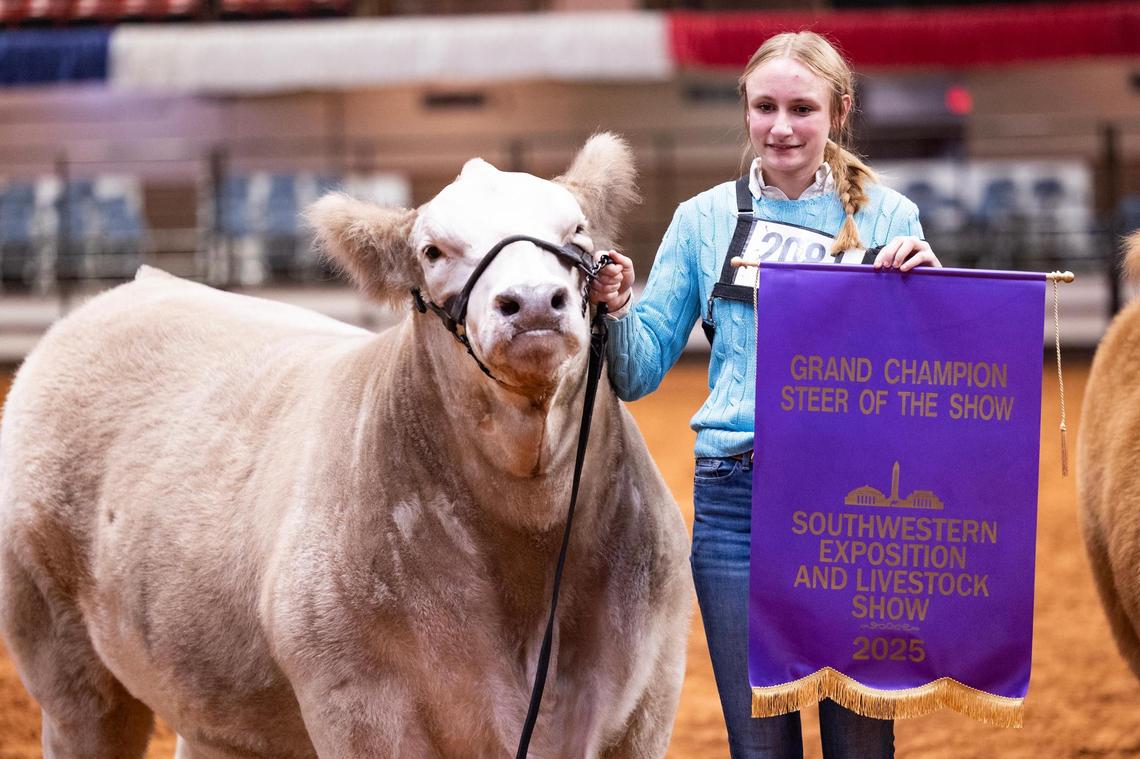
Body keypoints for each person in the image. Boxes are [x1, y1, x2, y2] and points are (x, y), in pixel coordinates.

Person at [589, 31, 941, 759]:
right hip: (734, 502)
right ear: (745, 109)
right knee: (759, 748)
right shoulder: (702, 220)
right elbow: (638, 370)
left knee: (861, 742)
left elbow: (923, 382)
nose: (782, 126)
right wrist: (615, 308)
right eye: (766, 106)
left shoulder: (890, 218)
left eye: (803, 108)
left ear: (839, 112)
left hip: (854, 503)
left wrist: (931, 300)